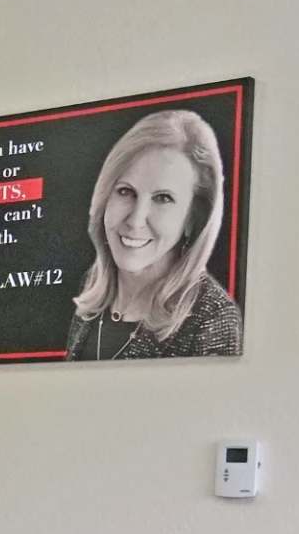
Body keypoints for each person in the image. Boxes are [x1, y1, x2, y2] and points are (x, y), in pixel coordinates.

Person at [66, 109, 243, 360]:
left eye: (163, 198)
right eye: (126, 192)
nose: (136, 219)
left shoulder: (212, 318)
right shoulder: (92, 286)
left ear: (193, 218)